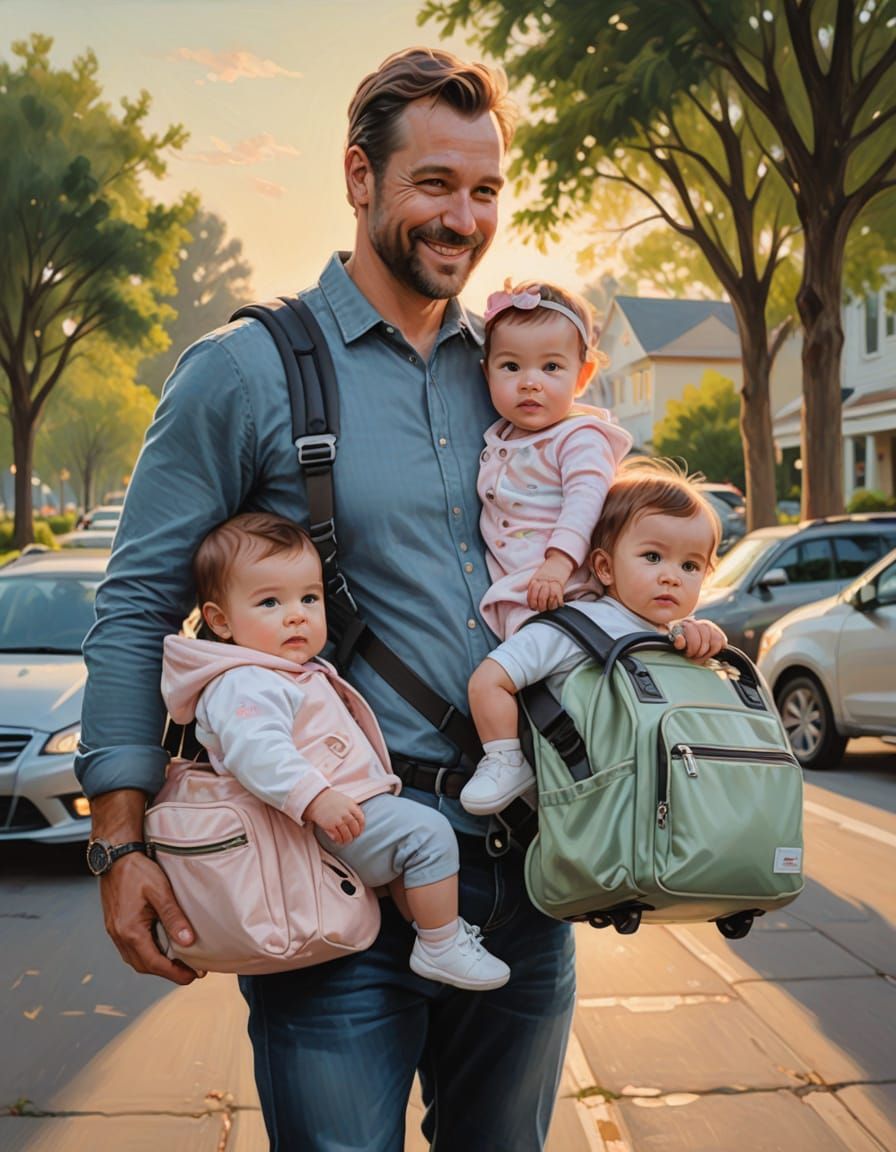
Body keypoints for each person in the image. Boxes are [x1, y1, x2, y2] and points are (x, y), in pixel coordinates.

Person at [76, 46, 723, 1151]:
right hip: (332, 865)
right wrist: (118, 842)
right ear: (357, 177)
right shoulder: (245, 371)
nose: (460, 219)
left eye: (482, 191)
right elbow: (135, 607)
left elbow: (605, 566)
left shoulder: (519, 378)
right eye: (433, 184)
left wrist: (678, 616)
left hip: (526, 865)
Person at [162, 512, 509, 990]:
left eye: (309, 597)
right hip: (315, 817)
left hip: (335, 811)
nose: (296, 614)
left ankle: (434, 934)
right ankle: (441, 942)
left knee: (408, 860)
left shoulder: (284, 671)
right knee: (428, 836)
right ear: (221, 621)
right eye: (269, 602)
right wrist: (315, 796)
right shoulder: (245, 681)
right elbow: (255, 749)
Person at [459, 279, 632, 814]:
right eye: (511, 367)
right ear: (487, 372)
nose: (530, 383)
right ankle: (563, 792)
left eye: (551, 369)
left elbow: (586, 498)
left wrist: (558, 564)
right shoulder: (501, 438)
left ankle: (504, 759)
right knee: (562, 721)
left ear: (583, 376)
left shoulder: (578, 437)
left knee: (489, 683)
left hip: (565, 604)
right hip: (529, 606)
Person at [466, 459, 722, 800]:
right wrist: (505, 755)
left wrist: (706, 642)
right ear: (604, 567)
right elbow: (488, 680)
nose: (671, 576)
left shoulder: (680, 636)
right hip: (597, 813)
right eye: (652, 557)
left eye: (690, 565)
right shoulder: (574, 628)